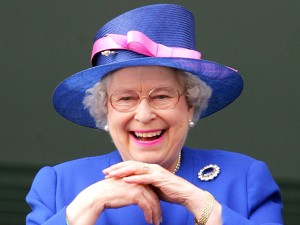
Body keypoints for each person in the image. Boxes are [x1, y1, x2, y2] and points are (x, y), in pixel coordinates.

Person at [26, 4, 283, 225]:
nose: (145, 114)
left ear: (190, 105)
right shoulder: (58, 185)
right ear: (105, 110)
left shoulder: (245, 178)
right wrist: (85, 207)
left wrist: (198, 202)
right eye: (125, 98)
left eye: (162, 96)